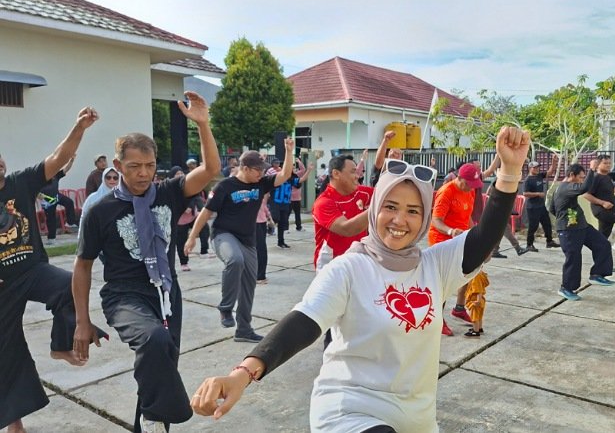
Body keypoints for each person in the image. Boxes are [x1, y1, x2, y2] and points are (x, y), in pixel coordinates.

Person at [190, 126, 529, 432]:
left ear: (424, 217)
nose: (400, 219)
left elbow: (484, 237)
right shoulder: (348, 268)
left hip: (417, 417)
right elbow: (303, 322)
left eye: (413, 211)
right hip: (351, 410)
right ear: (375, 208)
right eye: (390, 206)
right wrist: (244, 373)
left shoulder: (435, 265)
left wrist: (510, 172)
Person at [72, 92, 221, 433]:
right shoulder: (100, 210)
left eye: (149, 165)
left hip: (167, 293)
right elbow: (82, 265)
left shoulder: (169, 191)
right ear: (118, 165)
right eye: (134, 166)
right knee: (155, 342)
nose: (143, 174)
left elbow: (211, 169)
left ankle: (151, 425)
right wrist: (82, 320)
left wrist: (202, 124)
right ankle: (163, 417)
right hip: (124, 296)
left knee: (159, 368)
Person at [0, 108, 107, 433]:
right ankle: (13, 423)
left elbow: (60, 157)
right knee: (6, 352)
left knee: (71, 285)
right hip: (3, 285)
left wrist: (79, 127)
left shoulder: (21, 181)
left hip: (33, 269)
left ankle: (61, 344)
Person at [184, 144, 294, 342]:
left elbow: (285, 174)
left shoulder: (261, 183)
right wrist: (192, 237)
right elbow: (206, 212)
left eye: (263, 170)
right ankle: (225, 308)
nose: (261, 174)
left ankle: (244, 329)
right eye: (258, 170)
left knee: (249, 284)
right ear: (245, 168)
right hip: (223, 235)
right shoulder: (224, 186)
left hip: (247, 239)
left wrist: (289, 151)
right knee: (235, 260)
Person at [312, 153, 373, 348]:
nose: (357, 176)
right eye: (353, 171)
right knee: (334, 320)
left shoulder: (361, 193)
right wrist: (374, 210)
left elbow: (385, 190)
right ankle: (331, 363)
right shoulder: (324, 203)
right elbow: (347, 229)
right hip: (333, 268)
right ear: (336, 174)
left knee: (358, 316)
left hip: (360, 263)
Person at [428, 162, 483, 335]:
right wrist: (451, 231)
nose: (471, 188)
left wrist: (473, 233)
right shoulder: (447, 192)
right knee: (443, 282)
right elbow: (436, 220)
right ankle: (437, 319)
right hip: (442, 239)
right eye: (469, 184)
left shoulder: (470, 190)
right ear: (459, 178)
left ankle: (459, 308)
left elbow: (466, 216)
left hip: (461, 238)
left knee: (467, 272)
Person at [549, 161, 615, 301]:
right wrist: (592, 169)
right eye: (580, 177)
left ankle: (597, 274)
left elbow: (552, 209)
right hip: (568, 231)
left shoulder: (566, 188)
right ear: (572, 175)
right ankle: (566, 288)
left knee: (603, 244)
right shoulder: (566, 187)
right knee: (573, 258)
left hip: (582, 227)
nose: (581, 179)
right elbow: (584, 188)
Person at [40, 156, 79, 244]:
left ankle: (70, 222)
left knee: (69, 202)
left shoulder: (56, 175)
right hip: (47, 201)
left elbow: (66, 169)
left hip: (57, 196)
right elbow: (35, 190)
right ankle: (51, 238)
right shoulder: (41, 178)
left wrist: (71, 161)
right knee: (51, 218)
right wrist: (40, 196)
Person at [523, 160, 559, 252]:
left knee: (547, 223)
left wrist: (553, 162)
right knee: (533, 226)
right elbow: (525, 193)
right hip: (532, 207)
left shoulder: (539, 176)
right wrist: (538, 194)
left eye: (538, 167)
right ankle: (529, 245)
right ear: (530, 168)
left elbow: (550, 172)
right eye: (535, 167)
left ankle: (549, 241)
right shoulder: (528, 180)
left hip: (541, 206)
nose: (537, 169)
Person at [464, 271, 489, 337]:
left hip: (475, 301)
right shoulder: (480, 274)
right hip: (481, 300)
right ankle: (479, 328)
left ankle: (475, 331)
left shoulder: (476, 276)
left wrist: (478, 301)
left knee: (474, 317)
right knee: (479, 316)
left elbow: (478, 290)